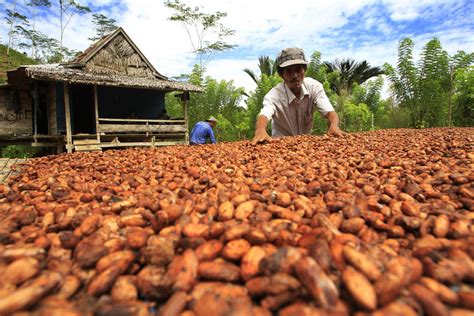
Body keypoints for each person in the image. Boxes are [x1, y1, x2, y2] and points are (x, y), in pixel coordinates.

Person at [252, 47, 344, 144]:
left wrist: (334, 126)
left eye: (298, 69)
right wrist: (260, 130)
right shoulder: (274, 96)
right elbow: (264, 115)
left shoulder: (314, 87)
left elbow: (329, 113)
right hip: (280, 144)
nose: (295, 75)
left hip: (305, 144)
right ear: (281, 74)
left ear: (304, 70)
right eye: (289, 71)